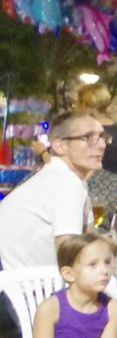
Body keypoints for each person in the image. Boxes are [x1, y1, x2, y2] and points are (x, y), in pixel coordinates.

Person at [0, 112, 97, 271]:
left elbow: (91, 241)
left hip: (23, 278)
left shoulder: (59, 178)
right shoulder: (65, 181)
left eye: (102, 137)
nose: (100, 145)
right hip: (35, 283)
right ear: (59, 146)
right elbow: (69, 257)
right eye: (87, 138)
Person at [75, 84, 117, 227]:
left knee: (96, 231)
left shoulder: (86, 134)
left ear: (85, 104)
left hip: (96, 198)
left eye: (78, 102)